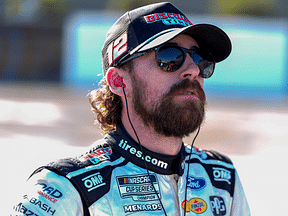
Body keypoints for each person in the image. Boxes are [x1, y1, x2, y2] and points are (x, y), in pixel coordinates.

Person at [10, 2, 250, 215]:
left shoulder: (222, 178)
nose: (193, 70)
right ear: (118, 81)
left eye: (200, 60)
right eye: (170, 57)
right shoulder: (65, 188)